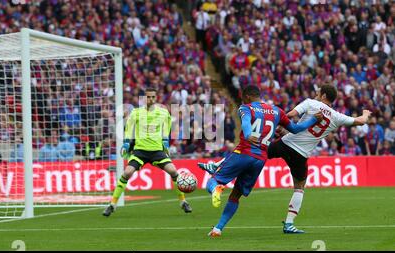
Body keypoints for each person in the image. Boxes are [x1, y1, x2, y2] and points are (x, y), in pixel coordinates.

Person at [199, 84, 372, 235]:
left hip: (285, 144)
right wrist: (365, 113)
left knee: (253, 149)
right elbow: (360, 121)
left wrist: (279, 126)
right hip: (302, 154)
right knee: (299, 187)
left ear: (324, 96)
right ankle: (289, 224)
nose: (316, 95)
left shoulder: (310, 103)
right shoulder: (337, 116)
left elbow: (289, 115)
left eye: (318, 93)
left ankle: (217, 167)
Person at [204, 85, 323, 237]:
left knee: (213, 181)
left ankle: (216, 189)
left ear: (247, 97)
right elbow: (295, 128)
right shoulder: (276, 111)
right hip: (260, 159)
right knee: (236, 195)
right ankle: (217, 229)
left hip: (244, 153)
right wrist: (313, 119)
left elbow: (246, 123)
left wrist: (248, 134)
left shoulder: (245, 108)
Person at [103, 88, 192, 217]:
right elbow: (129, 129)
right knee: (127, 173)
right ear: (144, 98)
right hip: (140, 151)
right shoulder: (136, 113)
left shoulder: (163, 113)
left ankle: (183, 202)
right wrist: (127, 143)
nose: (150, 99)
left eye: (153, 97)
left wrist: (165, 142)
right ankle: (112, 204)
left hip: (157, 151)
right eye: (148, 97)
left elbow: (166, 128)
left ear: (156, 98)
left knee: (173, 171)